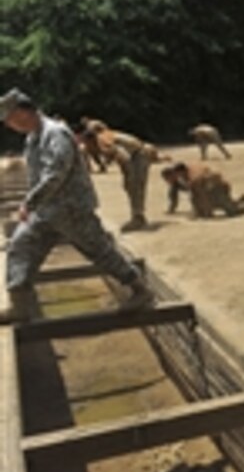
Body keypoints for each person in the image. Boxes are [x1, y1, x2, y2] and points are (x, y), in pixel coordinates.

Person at [0, 88, 153, 323]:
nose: (10, 125)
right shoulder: (33, 138)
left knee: (100, 251)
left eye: (10, 119)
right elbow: (37, 175)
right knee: (20, 246)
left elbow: (55, 174)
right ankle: (20, 305)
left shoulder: (55, 134)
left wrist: (29, 203)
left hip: (72, 209)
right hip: (46, 212)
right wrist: (33, 204)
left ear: (23, 112)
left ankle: (139, 290)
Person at [84, 120, 170, 232]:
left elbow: (123, 157)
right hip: (141, 151)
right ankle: (138, 216)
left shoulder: (102, 139)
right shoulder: (108, 135)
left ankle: (138, 218)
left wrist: (127, 176)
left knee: (135, 186)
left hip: (138, 155)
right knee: (133, 186)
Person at [161, 161, 244, 219]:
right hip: (209, 187)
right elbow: (176, 193)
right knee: (206, 209)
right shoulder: (182, 176)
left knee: (232, 211)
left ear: (177, 172)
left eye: (169, 177)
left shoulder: (194, 178)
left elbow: (200, 194)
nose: (168, 181)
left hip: (217, 188)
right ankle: (241, 200)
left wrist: (207, 211)